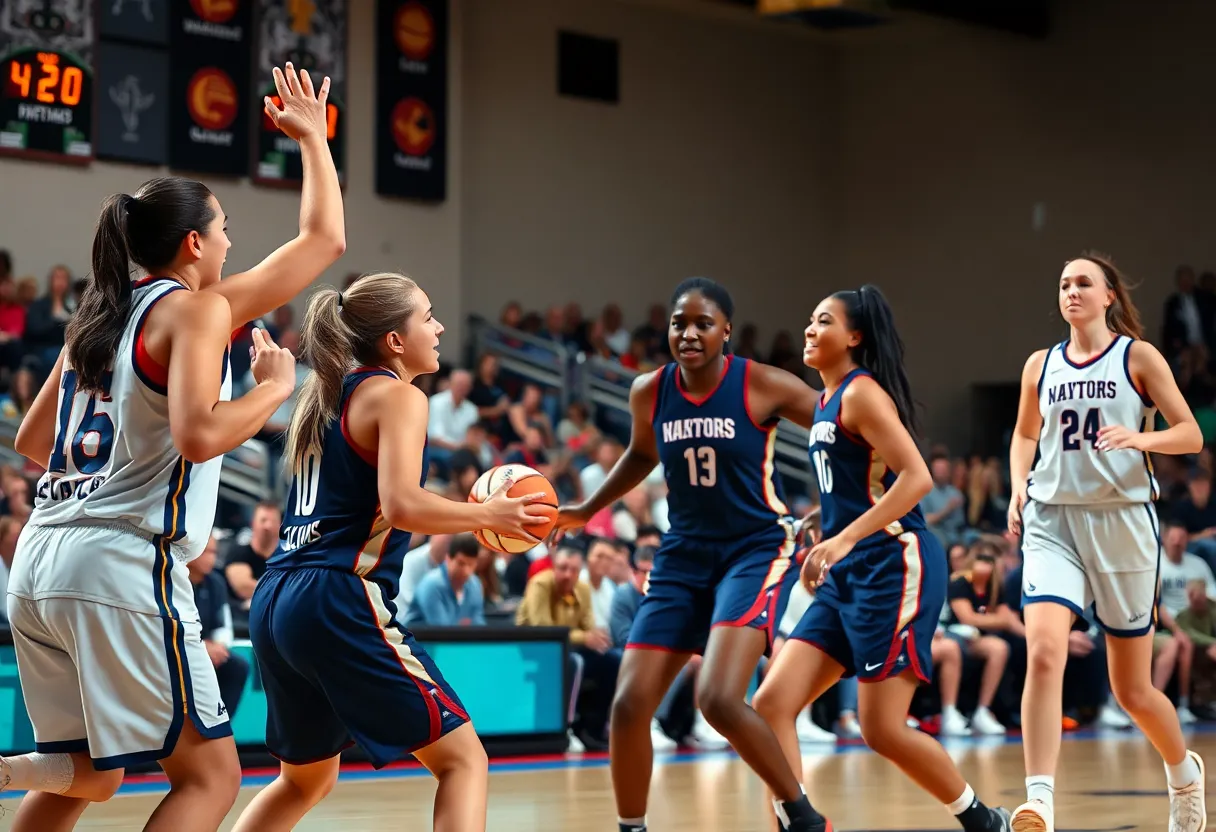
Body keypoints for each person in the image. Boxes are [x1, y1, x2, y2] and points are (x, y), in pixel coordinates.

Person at [0, 63, 343, 832]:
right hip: (118, 564)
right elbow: (197, 433)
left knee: (82, 777)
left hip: (38, 561)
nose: (231, 242)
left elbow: (31, 441)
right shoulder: (193, 311)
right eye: (225, 231)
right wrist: (271, 392)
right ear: (194, 243)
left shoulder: (97, 313)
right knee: (210, 778)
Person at [231, 272, 551, 832]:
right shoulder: (398, 396)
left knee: (304, 779)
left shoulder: (324, 395)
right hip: (336, 595)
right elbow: (402, 505)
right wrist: (487, 515)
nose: (440, 326)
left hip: (277, 596)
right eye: (427, 316)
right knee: (463, 761)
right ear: (395, 341)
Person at [553, 277, 820, 832]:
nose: (690, 333)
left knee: (719, 698)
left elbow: (841, 431)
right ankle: (632, 827)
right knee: (627, 706)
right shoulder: (649, 391)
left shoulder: (763, 383)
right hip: (682, 555)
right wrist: (584, 508)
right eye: (679, 323)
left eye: (703, 323)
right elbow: (640, 455)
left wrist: (837, 508)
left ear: (726, 331)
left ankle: (803, 816)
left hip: (754, 549)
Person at [751, 285, 1011, 832]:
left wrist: (845, 539)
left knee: (882, 730)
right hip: (850, 572)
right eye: (809, 319)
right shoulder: (823, 399)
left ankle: (982, 821)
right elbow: (861, 486)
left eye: (823, 321)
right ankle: (800, 825)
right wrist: (824, 525)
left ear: (853, 337)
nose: (808, 329)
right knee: (771, 702)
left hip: (896, 564)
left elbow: (916, 478)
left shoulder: (861, 393)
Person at [1007, 254, 1206, 832]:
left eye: (1083, 283)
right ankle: (1039, 799)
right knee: (1044, 651)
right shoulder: (1039, 365)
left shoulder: (1136, 357)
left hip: (1122, 524)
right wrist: (1020, 485)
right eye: (1064, 282)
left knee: (1133, 691)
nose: (1071, 291)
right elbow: (1024, 434)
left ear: (1109, 296)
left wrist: (1142, 438)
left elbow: (1191, 434)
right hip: (1053, 521)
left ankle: (1182, 772)